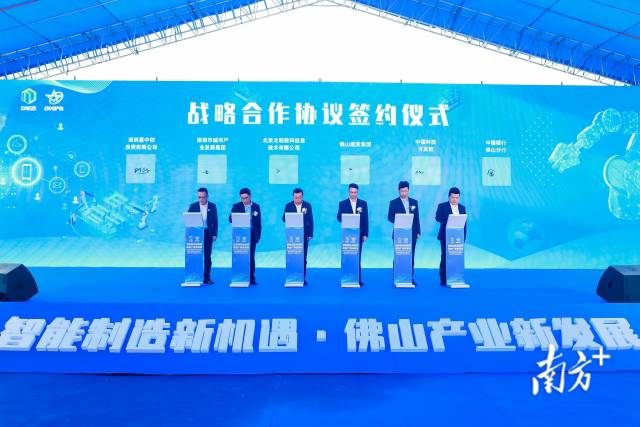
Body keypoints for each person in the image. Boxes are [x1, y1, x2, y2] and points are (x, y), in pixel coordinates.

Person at [387, 180, 421, 286]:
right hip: (399, 233)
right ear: (399, 191)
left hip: (412, 233)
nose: (404, 193)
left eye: (406, 191)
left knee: (411, 255)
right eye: (402, 191)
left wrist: (418, 232)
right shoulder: (393, 202)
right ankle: (396, 277)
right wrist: (400, 219)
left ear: (408, 190)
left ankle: (410, 277)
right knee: (398, 255)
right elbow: (389, 217)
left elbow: (417, 218)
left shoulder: (414, 202)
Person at [337, 183, 369, 286]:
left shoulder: (363, 203)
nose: (353, 194)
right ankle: (346, 278)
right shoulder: (342, 203)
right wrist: (347, 218)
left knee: (357, 256)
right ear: (348, 192)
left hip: (359, 234)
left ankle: (357, 279)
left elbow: (366, 219)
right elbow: (338, 217)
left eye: (355, 192)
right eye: (351, 192)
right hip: (347, 235)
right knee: (347, 257)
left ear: (358, 192)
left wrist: (365, 234)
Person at [229, 187, 261, 285]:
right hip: (240, 236)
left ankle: (251, 277)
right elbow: (230, 219)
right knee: (240, 256)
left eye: (246, 198)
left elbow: (259, 223)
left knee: (251, 257)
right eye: (242, 198)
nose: (244, 200)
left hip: (252, 235)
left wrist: (258, 236)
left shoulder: (256, 207)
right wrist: (235, 216)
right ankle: (239, 276)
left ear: (250, 196)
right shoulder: (236, 206)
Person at [435, 187, 467, 286]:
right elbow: (437, 218)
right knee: (445, 256)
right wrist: (450, 219)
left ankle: (456, 277)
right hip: (445, 236)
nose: (454, 200)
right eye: (453, 197)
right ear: (449, 196)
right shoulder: (442, 206)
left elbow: (464, 224)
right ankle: (443, 279)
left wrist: (464, 237)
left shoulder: (462, 208)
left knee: (457, 257)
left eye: (457, 198)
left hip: (458, 237)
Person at [282, 188, 313, 284]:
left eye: (299, 197)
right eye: (296, 197)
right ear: (293, 197)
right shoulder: (288, 206)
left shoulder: (307, 205)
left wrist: (310, 234)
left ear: (302, 197)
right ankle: (291, 276)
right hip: (292, 236)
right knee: (292, 256)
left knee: (303, 257)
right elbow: (283, 219)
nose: (298, 199)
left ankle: (302, 277)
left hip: (304, 235)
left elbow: (311, 220)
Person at [188, 187, 218, 284]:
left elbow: (215, 222)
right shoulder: (193, 206)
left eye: (203, 197)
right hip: (196, 235)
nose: (201, 199)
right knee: (195, 256)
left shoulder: (212, 206)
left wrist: (214, 234)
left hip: (208, 234)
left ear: (207, 196)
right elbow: (189, 220)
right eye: (199, 197)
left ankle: (207, 277)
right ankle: (194, 277)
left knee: (207, 256)